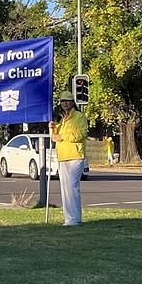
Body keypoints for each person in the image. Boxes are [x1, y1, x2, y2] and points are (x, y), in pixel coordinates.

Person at [49, 91, 88, 226]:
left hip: (76, 156)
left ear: (72, 103)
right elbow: (55, 137)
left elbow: (81, 134)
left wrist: (62, 137)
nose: (65, 103)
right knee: (65, 188)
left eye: (68, 101)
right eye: (63, 101)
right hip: (62, 156)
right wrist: (53, 129)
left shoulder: (79, 116)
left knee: (72, 186)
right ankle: (69, 218)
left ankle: (75, 218)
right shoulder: (61, 119)